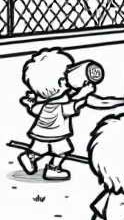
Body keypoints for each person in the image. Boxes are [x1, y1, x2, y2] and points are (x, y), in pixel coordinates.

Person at [18, 49, 95, 180]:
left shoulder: (48, 102)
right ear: (60, 83)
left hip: (40, 132)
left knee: (40, 150)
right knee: (62, 151)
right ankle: (53, 170)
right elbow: (73, 106)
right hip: (57, 133)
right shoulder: (59, 105)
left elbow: (35, 109)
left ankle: (30, 157)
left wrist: (31, 103)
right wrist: (84, 94)